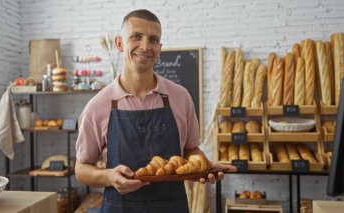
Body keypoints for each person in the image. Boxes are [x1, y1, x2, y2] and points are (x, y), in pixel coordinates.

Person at [75, 9, 236, 212]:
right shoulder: (97, 106)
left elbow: (190, 150)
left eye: (153, 39)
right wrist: (108, 177)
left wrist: (202, 166)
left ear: (159, 48)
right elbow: (81, 169)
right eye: (136, 37)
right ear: (119, 43)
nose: (145, 46)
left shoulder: (180, 97)